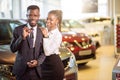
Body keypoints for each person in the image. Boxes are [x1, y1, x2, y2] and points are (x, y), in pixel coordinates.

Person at [10, 5, 45, 80]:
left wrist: (38, 62)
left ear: (39, 16)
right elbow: (13, 49)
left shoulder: (42, 32)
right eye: (30, 15)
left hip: (37, 72)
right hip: (21, 71)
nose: (32, 18)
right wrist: (22, 37)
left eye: (35, 15)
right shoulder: (18, 30)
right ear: (26, 16)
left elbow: (44, 52)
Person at [40, 10, 64, 80]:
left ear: (57, 21)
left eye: (51, 19)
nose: (47, 21)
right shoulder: (43, 31)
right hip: (43, 66)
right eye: (47, 18)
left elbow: (47, 52)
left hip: (54, 68)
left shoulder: (58, 35)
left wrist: (46, 36)